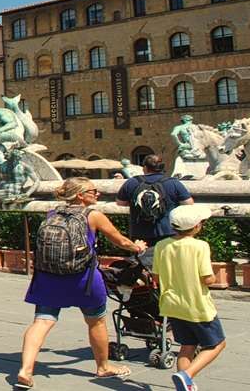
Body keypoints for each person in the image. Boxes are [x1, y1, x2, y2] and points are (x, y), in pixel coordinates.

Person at [14, 178, 146, 389]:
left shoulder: (52, 213)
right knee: (96, 321)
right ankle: (103, 367)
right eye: (93, 191)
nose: (98, 194)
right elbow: (120, 240)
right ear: (80, 195)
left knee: (42, 321)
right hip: (83, 278)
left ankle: (25, 370)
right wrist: (137, 247)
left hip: (49, 276)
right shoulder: (93, 215)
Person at [154, 205, 226, 391]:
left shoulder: (161, 246)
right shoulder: (200, 246)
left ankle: (186, 386)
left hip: (172, 304)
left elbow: (156, 276)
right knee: (217, 343)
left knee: (187, 345)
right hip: (197, 305)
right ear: (196, 227)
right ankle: (187, 374)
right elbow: (207, 278)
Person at [116, 155, 193, 265]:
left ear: (145, 168)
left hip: (140, 232)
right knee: (168, 263)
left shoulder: (132, 182)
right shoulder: (173, 182)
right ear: (162, 168)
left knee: (140, 265)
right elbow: (189, 203)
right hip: (168, 231)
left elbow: (120, 202)